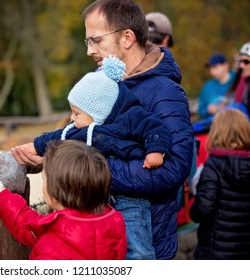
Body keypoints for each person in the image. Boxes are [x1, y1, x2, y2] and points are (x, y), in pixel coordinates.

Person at [12, 0, 194, 260]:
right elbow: (82, 131)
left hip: (143, 245)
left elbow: (173, 169)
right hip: (100, 241)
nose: (90, 51)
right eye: (88, 42)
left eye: (96, 40)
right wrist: (52, 151)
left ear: (127, 37)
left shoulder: (165, 93)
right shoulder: (105, 84)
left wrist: (92, 170)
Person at [20, 55, 171, 260]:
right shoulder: (81, 129)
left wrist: (155, 151)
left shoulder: (132, 118)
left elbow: (155, 128)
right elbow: (59, 136)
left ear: (99, 110)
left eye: (77, 113)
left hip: (132, 198)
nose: (72, 119)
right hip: (100, 197)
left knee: (137, 246)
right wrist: (36, 146)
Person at [0, 140, 127, 260]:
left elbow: (30, 226)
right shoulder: (114, 221)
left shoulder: (51, 246)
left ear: (55, 192)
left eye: (44, 178)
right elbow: (25, 221)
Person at [190, 108, 250, 259]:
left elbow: (203, 207)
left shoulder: (214, 165)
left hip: (216, 249)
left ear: (216, 132)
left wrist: (193, 210)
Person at [197, 54, 235, 120]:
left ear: (225, 66)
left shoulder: (239, 79)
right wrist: (208, 110)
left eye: (215, 67)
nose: (212, 71)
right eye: (210, 68)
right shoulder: (207, 86)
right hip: (213, 125)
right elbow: (201, 110)